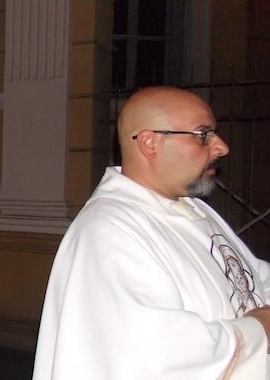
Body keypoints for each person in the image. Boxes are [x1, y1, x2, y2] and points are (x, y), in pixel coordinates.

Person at [34, 86, 270, 379]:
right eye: (203, 135)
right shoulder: (109, 231)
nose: (221, 147)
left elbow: (250, 278)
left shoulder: (192, 210)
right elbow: (153, 353)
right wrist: (258, 329)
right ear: (149, 144)